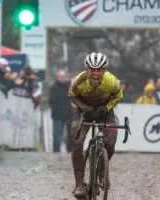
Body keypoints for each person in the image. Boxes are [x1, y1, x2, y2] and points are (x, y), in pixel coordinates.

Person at [68, 52, 123, 198]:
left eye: (99, 70)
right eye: (92, 69)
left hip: (104, 112)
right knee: (78, 142)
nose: (95, 73)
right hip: (83, 112)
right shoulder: (79, 80)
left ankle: (101, 171)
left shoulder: (112, 81)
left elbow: (119, 96)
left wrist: (108, 107)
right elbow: (72, 94)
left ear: (104, 71)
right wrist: (82, 105)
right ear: (87, 69)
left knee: (110, 141)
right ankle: (79, 184)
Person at [49, 70, 72, 152]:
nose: (63, 78)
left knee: (70, 134)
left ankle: (70, 150)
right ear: (57, 78)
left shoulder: (69, 87)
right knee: (57, 135)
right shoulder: (54, 88)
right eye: (61, 77)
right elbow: (52, 102)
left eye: (64, 76)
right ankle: (56, 151)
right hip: (57, 115)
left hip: (69, 114)